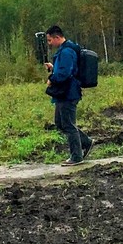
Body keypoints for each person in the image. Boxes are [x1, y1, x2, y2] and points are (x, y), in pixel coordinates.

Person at [44, 25, 93, 166]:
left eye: (50, 40)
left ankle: (76, 156)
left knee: (68, 125)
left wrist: (51, 79)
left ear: (57, 37)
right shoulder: (65, 51)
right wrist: (54, 68)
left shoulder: (66, 52)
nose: (49, 43)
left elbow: (65, 74)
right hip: (64, 93)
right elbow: (66, 69)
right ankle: (86, 142)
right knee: (60, 123)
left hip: (68, 93)